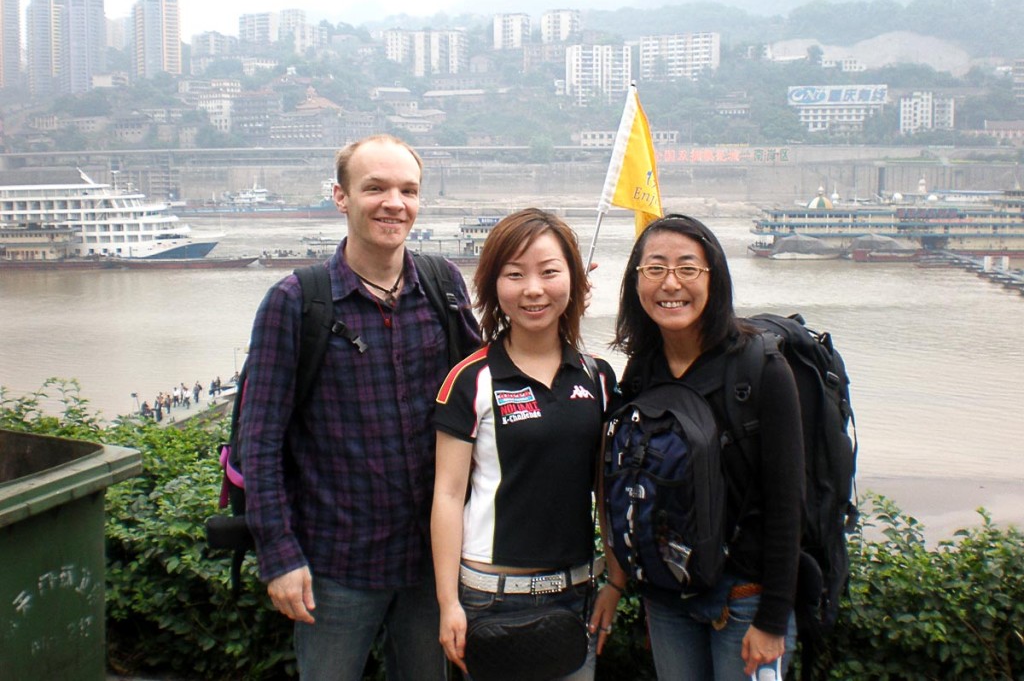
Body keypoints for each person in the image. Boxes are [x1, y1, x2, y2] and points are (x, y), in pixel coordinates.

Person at [240, 134, 480, 680]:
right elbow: (261, 440)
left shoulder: (443, 286)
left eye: (408, 190)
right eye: (375, 188)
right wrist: (279, 554)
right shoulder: (297, 301)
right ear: (341, 197)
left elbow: (484, 391)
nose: (393, 203)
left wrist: (559, 312)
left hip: (432, 564)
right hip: (335, 563)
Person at [609, 214, 804, 679]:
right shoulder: (641, 372)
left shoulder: (762, 370)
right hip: (668, 598)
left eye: (687, 268)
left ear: (714, 278)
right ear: (636, 282)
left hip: (746, 602)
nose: (670, 283)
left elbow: (786, 504)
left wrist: (773, 620)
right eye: (654, 268)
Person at [431, 208, 621, 679]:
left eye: (550, 272)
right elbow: (448, 495)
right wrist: (448, 603)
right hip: (489, 598)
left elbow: (605, 491)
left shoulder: (598, 377)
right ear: (494, 286)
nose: (533, 289)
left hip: (576, 592)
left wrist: (615, 581)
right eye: (514, 274)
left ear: (575, 281)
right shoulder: (470, 379)